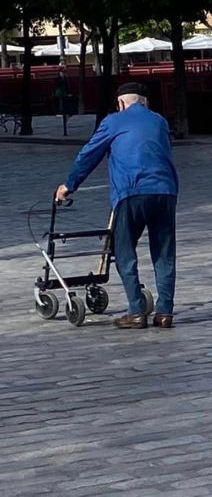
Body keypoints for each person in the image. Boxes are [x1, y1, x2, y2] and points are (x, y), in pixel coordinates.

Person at [56, 83, 179, 330]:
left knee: (124, 251)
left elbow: (89, 155)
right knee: (164, 253)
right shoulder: (160, 122)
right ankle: (165, 312)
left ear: (121, 103)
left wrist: (69, 185)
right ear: (145, 102)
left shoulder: (113, 122)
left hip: (130, 192)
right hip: (165, 192)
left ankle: (135, 310)